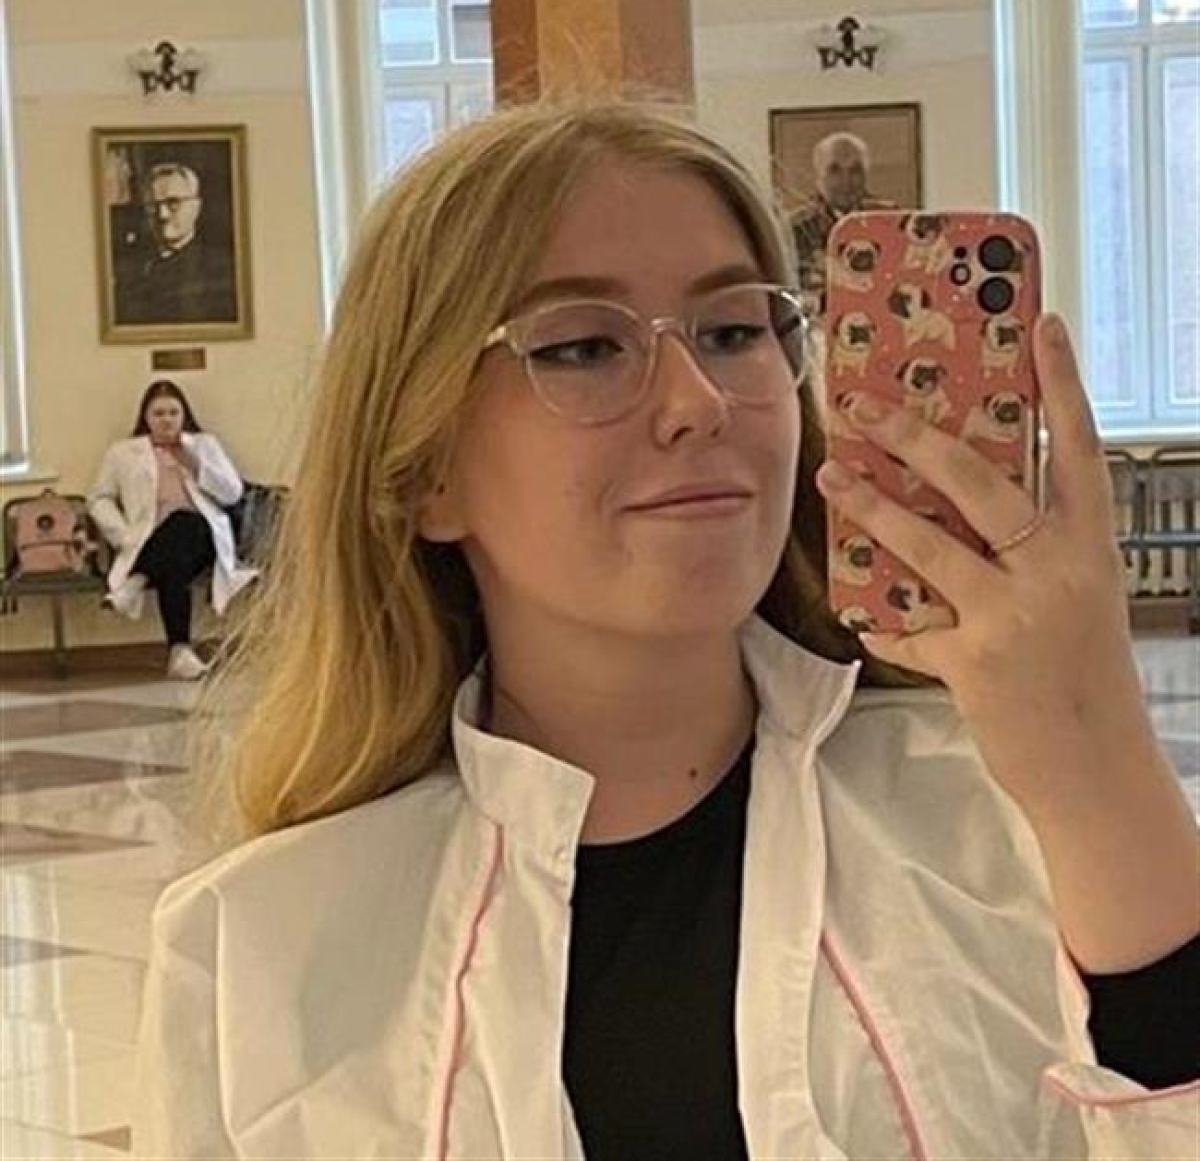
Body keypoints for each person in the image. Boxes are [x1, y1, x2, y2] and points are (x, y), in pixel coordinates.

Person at [133, 99, 1198, 1158]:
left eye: (734, 332)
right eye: (584, 347)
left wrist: (1098, 763)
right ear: (426, 473)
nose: (699, 401)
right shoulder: (257, 952)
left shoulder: (1003, 828)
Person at [89, 381, 257, 680]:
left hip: (204, 538)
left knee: (183, 520)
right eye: (158, 413)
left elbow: (233, 494)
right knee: (173, 567)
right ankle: (179, 653)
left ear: (184, 415)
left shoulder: (204, 445)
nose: (166, 420)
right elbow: (99, 499)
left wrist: (197, 466)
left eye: (173, 412)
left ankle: (136, 580)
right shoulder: (124, 452)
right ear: (146, 417)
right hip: (150, 541)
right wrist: (123, 534)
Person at [114, 162, 237, 325]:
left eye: (173, 203)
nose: (162, 214)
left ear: (196, 207)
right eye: (152, 205)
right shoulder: (126, 266)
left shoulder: (222, 268)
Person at [789, 131, 897, 315]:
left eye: (855, 170)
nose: (846, 181)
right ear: (818, 175)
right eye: (834, 170)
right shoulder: (796, 228)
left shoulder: (890, 222)